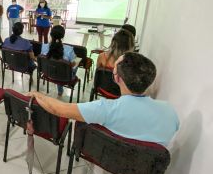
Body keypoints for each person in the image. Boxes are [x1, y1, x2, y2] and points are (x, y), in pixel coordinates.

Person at [27, 52, 179, 147]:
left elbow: (57, 109)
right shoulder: (170, 112)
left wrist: (38, 95)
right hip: (142, 171)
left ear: (117, 78)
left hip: (105, 157)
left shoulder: (105, 108)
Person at [41, 25, 76, 96]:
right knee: (75, 65)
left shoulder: (44, 47)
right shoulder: (69, 50)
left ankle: (60, 89)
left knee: (57, 66)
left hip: (48, 74)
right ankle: (61, 89)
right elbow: (72, 65)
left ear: (51, 34)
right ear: (63, 36)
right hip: (65, 78)